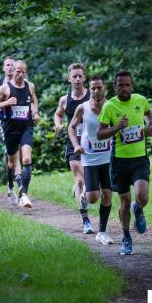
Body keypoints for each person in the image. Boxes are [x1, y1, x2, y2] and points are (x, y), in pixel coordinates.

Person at [97, 70, 152, 255]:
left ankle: (138, 209)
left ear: (132, 86)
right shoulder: (109, 106)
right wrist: (118, 127)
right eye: (120, 85)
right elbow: (100, 133)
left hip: (139, 159)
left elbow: (148, 113)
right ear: (114, 87)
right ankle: (126, 238)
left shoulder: (140, 100)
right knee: (124, 200)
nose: (124, 88)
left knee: (142, 196)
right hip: (119, 161)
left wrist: (151, 126)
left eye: (127, 84)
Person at [0, 60, 39, 208]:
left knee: (27, 159)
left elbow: (34, 101)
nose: (21, 74)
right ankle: (10, 186)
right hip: (11, 129)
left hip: (26, 127)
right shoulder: (4, 88)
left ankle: (24, 195)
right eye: (18, 71)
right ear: (12, 71)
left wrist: (35, 112)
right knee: (12, 163)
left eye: (24, 72)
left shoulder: (30, 86)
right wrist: (6, 103)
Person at [68, 76, 114, 245]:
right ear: (90, 88)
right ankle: (84, 194)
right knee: (94, 197)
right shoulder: (83, 108)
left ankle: (102, 232)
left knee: (108, 194)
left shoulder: (111, 106)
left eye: (99, 88)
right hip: (89, 156)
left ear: (105, 88)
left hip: (108, 156)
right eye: (93, 88)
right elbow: (71, 127)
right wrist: (75, 145)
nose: (95, 91)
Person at [54, 63, 93, 233]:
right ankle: (85, 220)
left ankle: (81, 190)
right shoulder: (65, 99)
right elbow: (58, 114)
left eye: (80, 76)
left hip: (93, 144)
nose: (77, 79)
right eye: (74, 76)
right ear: (69, 79)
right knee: (79, 180)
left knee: (90, 185)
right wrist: (58, 125)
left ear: (84, 78)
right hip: (74, 144)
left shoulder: (93, 96)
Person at [0, 57, 23, 203]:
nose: (10, 68)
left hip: (19, 122)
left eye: (12, 65)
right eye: (8, 65)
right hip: (5, 122)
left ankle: (15, 184)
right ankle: (13, 186)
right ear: (4, 68)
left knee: (18, 152)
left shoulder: (21, 80)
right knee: (14, 154)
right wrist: (7, 102)